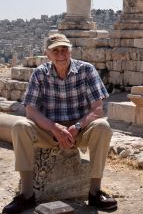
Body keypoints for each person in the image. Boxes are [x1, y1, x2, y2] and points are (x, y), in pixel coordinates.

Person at [3, 33, 117, 213]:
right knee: (20, 127)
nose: (61, 54)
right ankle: (26, 195)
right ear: (47, 54)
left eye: (64, 49)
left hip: (79, 131)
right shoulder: (39, 74)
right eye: (55, 50)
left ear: (70, 51)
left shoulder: (87, 70)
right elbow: (30, 110)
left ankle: (95, 192)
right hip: (48, 130)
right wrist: (54, 128)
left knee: (103, 127)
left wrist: (77, 127)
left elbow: (98, 109)